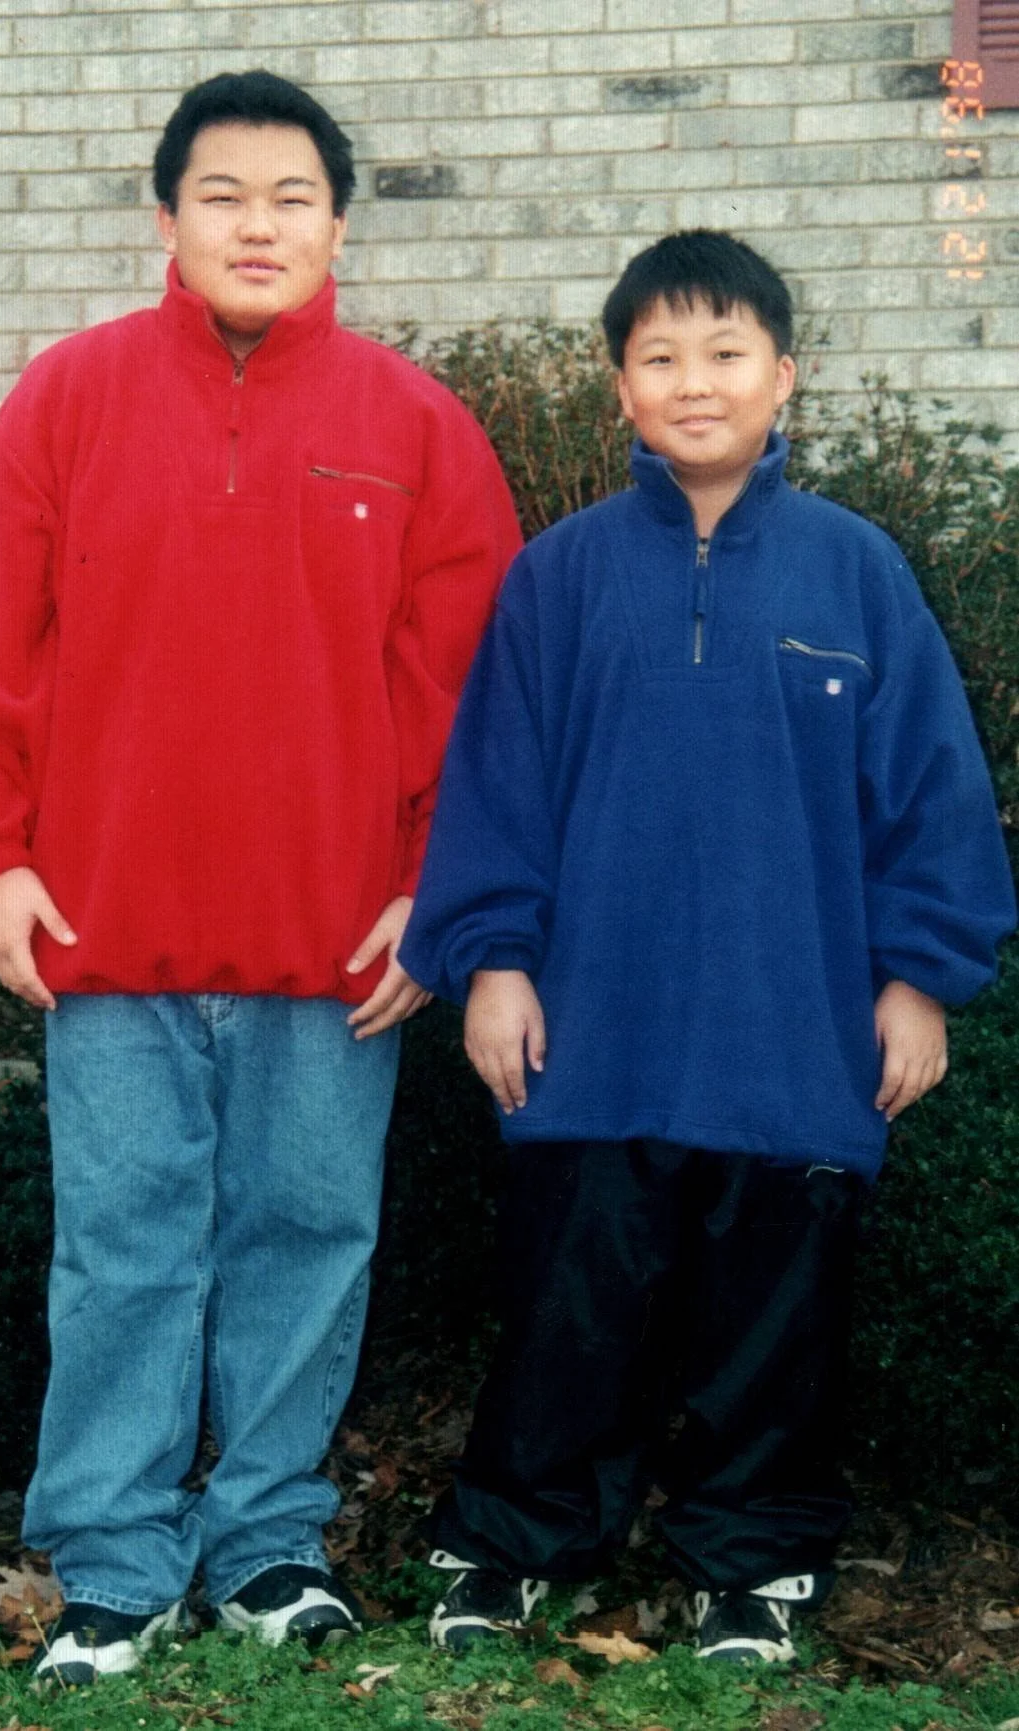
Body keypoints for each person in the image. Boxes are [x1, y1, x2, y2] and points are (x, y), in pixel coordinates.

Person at [0, 69, 520, 1682]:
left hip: (338, 943)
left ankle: (266, 1544)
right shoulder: (68, 401)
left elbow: (478, 695)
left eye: (293, 198)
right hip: (105, 930)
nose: (260, 225)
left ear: (338, 227)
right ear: (166, 217)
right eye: (225, 196)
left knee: (308, 1235)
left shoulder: (415, 427)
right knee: (122, 1247)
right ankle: (114, 1565)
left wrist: (437, 886)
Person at [399, 229, 1016, 1663]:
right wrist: (494, 960)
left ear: (784, 375)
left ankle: (752, 1564)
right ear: (620, 385)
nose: (695, 382)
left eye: (726, 352)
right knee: (571, 1308)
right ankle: (517, 1542)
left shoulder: (857, 572)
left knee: (772, 1323)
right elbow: (495, 785)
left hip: (793, 1029)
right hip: (591, 1027)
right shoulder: (558, 578)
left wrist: (920, 978)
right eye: (661, 356)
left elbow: (932, 792)